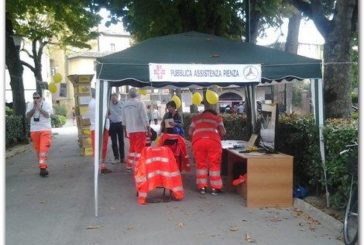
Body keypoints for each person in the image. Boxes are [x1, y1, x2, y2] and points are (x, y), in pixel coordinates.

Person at [188, 109, 226, 195]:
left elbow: (190, 132)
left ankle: (202, 188)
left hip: (198, 142)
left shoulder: (196, 118)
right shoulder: (217, 118)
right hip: (213, 142)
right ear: (213, 113)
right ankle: (215, 189)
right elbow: (223, 132)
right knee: (214, 164)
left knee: (201, 164)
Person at [121, 88, 151, 170]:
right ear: (137, 94)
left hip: (130, 130)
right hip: (140, 129)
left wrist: (125, 131)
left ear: (129, 95)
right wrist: (148, 129)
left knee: (132, 148)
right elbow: (144, 117)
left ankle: (129, 165)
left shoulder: (124, 104)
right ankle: (138, 166)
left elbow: (123, 119)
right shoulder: (140, 103)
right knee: (140, 148)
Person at [26, 92, 53, 177]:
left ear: (41, 98)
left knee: (42, 149)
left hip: (45, 129)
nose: (36, 99)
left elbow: (47, 115)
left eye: (37, 98)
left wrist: (39, 108)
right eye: (34, 98)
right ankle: (42, 166)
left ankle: (43, 168)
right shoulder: (30, 104)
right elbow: (28, 116)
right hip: (34, 130)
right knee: (38, 151)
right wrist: (34, 108)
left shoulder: (46, 104)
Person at [88, 89, 112, 174]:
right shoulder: (98, 103)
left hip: (95, 128)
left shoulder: (91, 102)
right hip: (101, 128)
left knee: (97, 148)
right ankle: (101, 166)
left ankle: (99, 166)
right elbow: (107, 113)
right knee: (103, 148)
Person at [108, 93, 125, 164]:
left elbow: (124, 114)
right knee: (114, 142)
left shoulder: (122, 104)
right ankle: (116, 157)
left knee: (121, 141)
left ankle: (122, 158)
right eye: (112, 98)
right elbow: (107, 113)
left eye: (114, 98)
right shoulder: (108, 104)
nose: (113, 100)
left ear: (117, 97)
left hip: (120, 124)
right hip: (112, 124)